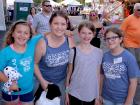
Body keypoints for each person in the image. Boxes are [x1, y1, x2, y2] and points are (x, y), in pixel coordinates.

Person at [34, 10, 75, 105]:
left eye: (63, 24)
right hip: (43, 83)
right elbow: (34, 63)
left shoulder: (69, 41)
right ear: (50, 24)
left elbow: (70, 65)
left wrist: (67, 86)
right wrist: (42, 81)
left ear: (67, 25)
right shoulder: (42, 43)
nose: (59, 27)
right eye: (56, 23)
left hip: (61, 82)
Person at [0, 20, 42, 105]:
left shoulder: (31, 45)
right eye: (19, 32)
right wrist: (10, 82)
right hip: (10, 91)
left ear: (30, 36)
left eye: (26, 33)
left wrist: (66, 32)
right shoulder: (5, 52)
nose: (22, 35)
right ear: (12, 34)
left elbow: (45, 35)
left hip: (28, 90)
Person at [65, 21, 103, 105]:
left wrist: (97, 95)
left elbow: (97, 76)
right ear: (79, 33)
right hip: (74, 93)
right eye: (83, 33)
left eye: (89, 33)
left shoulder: (99, 52)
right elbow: (69, 74)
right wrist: (66, 93)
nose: (86, 36)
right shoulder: (73, 51)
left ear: (93, 34)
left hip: (91, 94)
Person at [100, 27, 140, 105]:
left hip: (123, 100)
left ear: (120, 39)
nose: (110, 41)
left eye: (114, 38)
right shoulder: (104, 56)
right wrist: (99, 94)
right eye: (107, 38)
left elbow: (133, 82)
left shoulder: (129, 57)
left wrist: (128, 102)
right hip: (107, 98)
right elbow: (101, 76)